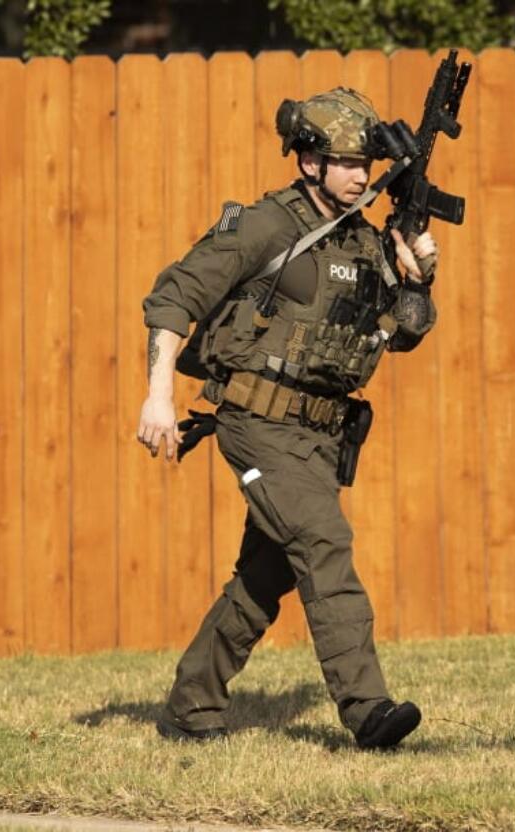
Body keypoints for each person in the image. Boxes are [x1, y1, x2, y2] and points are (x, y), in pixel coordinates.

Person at [140, 88, 439, 749]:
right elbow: (172, 295)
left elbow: (406, 331)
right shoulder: (267, 226)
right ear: (309, 162)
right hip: (257, 423)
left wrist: (418, 276)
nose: (362, 174)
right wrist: (159, 394)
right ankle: (368, 711)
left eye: (368, 163)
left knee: (265, 576)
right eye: (347, 162)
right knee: (324, 542)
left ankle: (192, 706)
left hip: (320, 435)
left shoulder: (365, 237)